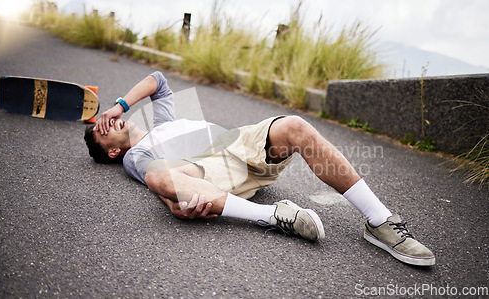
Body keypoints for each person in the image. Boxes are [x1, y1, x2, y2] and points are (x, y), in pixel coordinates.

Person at [84, 71, 435, 266]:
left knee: (295, 126)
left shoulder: (162, 121)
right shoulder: (135, 155)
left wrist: (118, 105)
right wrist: (175, 201)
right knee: (159, 177)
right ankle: (274, 215)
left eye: (104, 122)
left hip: (239, 144)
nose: (106, 124)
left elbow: (157, 80)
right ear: (113, 152)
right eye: (102, 132)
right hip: (209, 173)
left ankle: (380, 221)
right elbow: (157, 178)